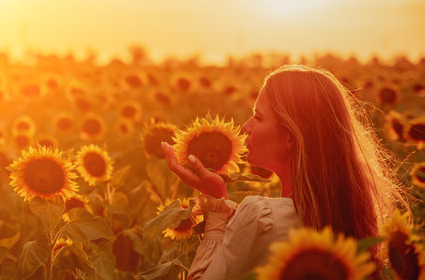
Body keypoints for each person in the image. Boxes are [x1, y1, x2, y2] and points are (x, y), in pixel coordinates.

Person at [161, 65, 409, 280]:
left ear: (290, 136)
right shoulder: (349, 218)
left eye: (258, 117)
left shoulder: (261, 217)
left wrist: (215, 206)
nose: (246, 126)